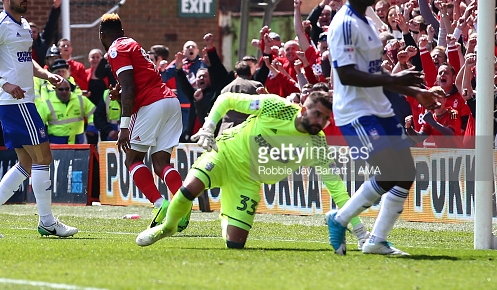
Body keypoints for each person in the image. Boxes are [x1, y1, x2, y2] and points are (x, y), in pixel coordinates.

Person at [135, 91, 369, 249]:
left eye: (326, 118)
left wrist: (359, 231)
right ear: (303, 107)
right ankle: (166, 228)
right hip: (225, 154)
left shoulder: (317, 144)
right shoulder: (276, 107)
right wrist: (209, 127)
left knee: (234, 245)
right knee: (189, 190)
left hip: (248, 181)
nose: (320, 122)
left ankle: (228, 215)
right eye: (317, 114)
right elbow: (227, 99)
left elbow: (336, 187)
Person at [325, 0, 440, 256]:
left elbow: (378, 74)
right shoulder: (344, 25)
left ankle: (376, 240)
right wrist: (395, 80)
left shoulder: (366, 23)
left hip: (379, 106)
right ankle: (340, 219)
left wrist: (417, 92)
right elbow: (348, 74)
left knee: (405, 172)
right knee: (389, 171)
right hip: (356, 111)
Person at [0, 0, 77, 238]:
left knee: (27, 162)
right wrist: (4, 83)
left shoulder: (23, 24)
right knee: (44, 157)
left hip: (22, 100)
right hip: (14, 102)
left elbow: (25, 61)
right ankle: (47, 222)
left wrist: (47, 74)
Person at [99, 13, 189, 231]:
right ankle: (182, 204)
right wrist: (121, 96)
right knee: (161, 164)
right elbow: (134, 85)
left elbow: (130, 87)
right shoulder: (133, 44)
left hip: (152, 104)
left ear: (102, 35)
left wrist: (123, 127)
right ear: (122, 30)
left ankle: (161, 205)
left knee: (132, 159)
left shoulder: (115, 49)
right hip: (170, 101)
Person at [36, 79, 97, 144]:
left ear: (70, 89)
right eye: (61, 89)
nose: (64, 92)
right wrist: (42, 137)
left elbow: (93, 112)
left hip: (78, 141)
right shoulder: (47, 105)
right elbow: (37, 124)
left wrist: (91, 125)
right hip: (56, 143)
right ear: (55, 89)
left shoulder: (81, 100)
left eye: (67, 89)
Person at [217, 60, 264, 135]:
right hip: (248, 131)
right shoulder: (256, 86)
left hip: (226, 131)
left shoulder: (225, 90)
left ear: (235, 75)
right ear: (250, 74)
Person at [30, 0, 62, 67]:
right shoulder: (20, 44)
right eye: (29, 32)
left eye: (34, 32)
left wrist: (56, 7)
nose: (32, 34)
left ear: (38, 33)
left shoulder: (43, 42)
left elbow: (51, 24)